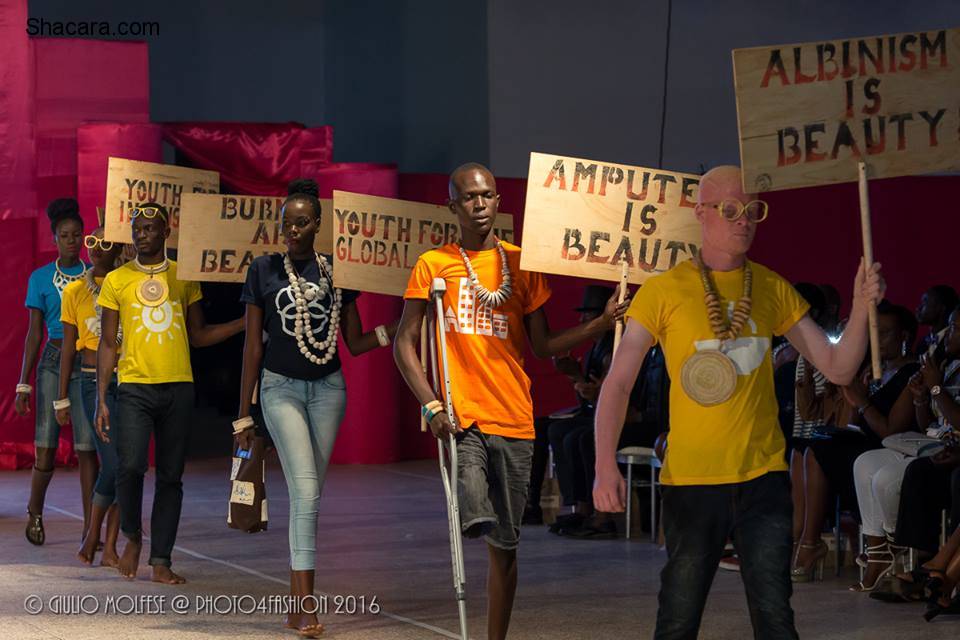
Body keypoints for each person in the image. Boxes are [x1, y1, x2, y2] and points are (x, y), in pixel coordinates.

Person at [593, 165, 884, 639]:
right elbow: (618, 384)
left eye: (753, 211)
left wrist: (858, 305)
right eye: (730, 210)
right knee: (678, 619)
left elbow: (837, 368)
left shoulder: (770, 287)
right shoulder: (664, 291)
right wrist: (605, 465)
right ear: (701, 213)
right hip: (691, 482)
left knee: (775, 618)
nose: (743, 220)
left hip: (763, 479)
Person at [393, 163, 628, 640]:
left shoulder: (521, 264)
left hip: (515, 417)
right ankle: (473, 511)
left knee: (507, 546)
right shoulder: (434, 264)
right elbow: (404, 342)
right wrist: (431, 405)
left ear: (499, 201)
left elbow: (543, 346)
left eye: (488, 196)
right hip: (463, 415)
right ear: (452, 206)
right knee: (474, 496)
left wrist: (601, 323)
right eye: (469, 197)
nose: (480, 205)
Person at [233, 179, 397, 638]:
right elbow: (251, 347)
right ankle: (305, 606)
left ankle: (293, 602)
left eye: (302, 222)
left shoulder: (336, 271)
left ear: (318, 224)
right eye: (287, 222)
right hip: (279, 388)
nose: (293, 230)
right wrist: (244, 413)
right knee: (306, 494)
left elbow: (356, 342)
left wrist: (397, 328)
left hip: (328, 390)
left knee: (310, 497)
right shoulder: (263, 269)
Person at [95, 202, 244, 584]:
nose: (141, 234)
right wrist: (100, 398)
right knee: (129, 468)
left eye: (149, 228)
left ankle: (161, 560)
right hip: (133, 387)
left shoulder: (184, 275)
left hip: (178, 387)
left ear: (165, 233)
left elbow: (197, 334)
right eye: (136, 228)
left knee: (171, 477)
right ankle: (132, 536)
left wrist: (243, 322)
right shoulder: (117, 280)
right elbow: (108, 343)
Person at [791, 302, 918, 586]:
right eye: (874, 333)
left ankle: (810, 544)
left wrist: (862, 401)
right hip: (860, 446)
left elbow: (892, 432)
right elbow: (848, 424)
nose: (877, 341)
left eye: (884, 333)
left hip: (890, 453)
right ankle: (802, 539)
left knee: (818, 451)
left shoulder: (913, 374)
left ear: (905, 336)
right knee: (802, 447)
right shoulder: (872, 371)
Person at [16, 198, 95, 546]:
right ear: (55, 239)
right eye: (65, 235)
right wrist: (23, 384)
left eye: (77, 235)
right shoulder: (40, 278)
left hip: (86, 361)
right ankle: (35, 512)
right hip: (52, 360)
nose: (72, 240)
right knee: (46, 446)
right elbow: (34, 333)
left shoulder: (96, 275)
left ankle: (90, 526)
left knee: (86, 446)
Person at [56, 227, 124, 566]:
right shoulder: (75, 290)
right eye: (92, 242)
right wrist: (60, 397)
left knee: (126, 463)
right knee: (113, 461)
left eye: (105, 243)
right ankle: (93, 536)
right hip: (88, 379)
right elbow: (68, 346)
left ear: (118, 248)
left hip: (127, 379)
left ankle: (108, 546)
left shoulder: (127, 284)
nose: (97, 248)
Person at [916, 285, 958, 356]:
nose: (918, 308)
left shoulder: (953, 342)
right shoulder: (922, 344)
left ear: (941, 308)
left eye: (925, 302)